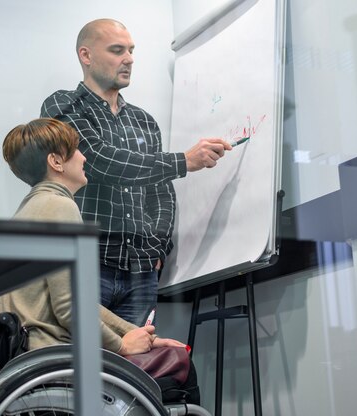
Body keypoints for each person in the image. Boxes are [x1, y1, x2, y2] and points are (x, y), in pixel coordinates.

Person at [41, 18, 233, 326]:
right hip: (87, 264)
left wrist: (156, 250)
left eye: (131, 50)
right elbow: (100, 160)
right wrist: (184, 160)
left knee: (133, 369)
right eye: (117, 50)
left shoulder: (144, 121)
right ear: (86, 56)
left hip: (141, 271)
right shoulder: (63, 105)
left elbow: (162, 195)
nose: (129, 59)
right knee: (80, 365)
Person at [0, 117, 185, 355]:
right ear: (56, 162)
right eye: (75, 150)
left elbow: (79, 301)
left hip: (32, 352)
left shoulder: (29, 209)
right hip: (54, 353)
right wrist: (121, 345)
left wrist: (133, 333)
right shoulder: (60, 207)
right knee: (176, 363)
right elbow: (69, 308)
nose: (83, 156)